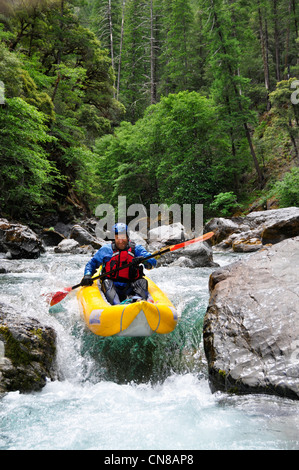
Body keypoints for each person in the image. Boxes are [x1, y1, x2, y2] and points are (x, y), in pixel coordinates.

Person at [80, 223, 157, 305]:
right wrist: (87, 275)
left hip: (131, 284)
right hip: (112, 285)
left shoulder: (137, 249)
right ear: (114, 238)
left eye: (123, 237)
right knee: (106, 282)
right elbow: (92, 264)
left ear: (127, 237)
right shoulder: (106, 250)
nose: (121, 241)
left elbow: (153, 263)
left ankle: (138, 301)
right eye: (117, 238)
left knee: (142, 281)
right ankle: (117, 305)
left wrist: (143, 260)